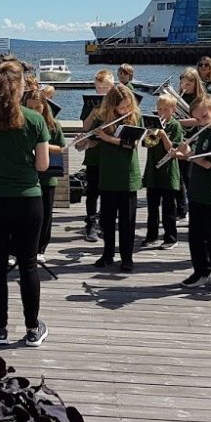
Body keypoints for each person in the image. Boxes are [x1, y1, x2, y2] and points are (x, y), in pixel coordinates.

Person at [0, 60, 50, 348]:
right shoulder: (35, 119)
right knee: (28, 264)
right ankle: (32, 328)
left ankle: (0, 328)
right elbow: (42, 165)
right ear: (20, 88)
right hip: (28, 199)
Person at [176, 94, 211, 294]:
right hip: (197, 191)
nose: (201, 122)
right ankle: (201, 272)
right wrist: (183, 154)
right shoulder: (205, 131)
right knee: (196, 236)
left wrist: (189, 155)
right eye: (197, 119)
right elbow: (197, 158)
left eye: (204, 117)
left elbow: (208, 163)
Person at [92, 85, 142, 272]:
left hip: (127, 175)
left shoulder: (135, 118)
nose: (126, 110)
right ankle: (107, 254)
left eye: (128, 106)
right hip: (108, 174)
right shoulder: (102, 119)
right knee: (107, 219)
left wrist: (107, 138)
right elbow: (93, 140)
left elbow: (131, 144)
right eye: (122, 107)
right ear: (112, 106)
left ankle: (127, 258)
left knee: (127, 221)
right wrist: (86, 141)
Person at [77, 68, 115, 243]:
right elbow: (85, 127)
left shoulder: (116, 102)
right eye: (98, 88)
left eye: (105, 88)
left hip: (110, 153)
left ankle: (106, 223)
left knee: (109, 192)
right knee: (92, 191)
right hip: (94, 154)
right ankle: (90, 224)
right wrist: (94, 111)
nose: (101, 91)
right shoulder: (90, 104)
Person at [26, 89, 65, 259]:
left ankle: (40, 249)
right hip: (26, 176)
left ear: (44, 107)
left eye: (38, 107)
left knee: (45, 215)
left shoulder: (53, 124)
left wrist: (42, 145)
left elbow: (60, 148)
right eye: (30, 107)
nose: (34, 111)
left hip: (47, 177)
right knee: (25, 215)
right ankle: (23, 248)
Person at [142, 92, 183, 250]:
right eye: (159, 109)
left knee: (168, 208)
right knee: (152, 208)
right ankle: (151, 236)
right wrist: (152, 133)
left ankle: (171, 238)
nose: (162, 112)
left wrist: (163, 134)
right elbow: (147, 145)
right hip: (153, 172)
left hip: (168, 172)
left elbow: (171, 150)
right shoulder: (154, 124)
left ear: (173, 110)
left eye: (166, 109)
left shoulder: (175, 125)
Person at [174, 67, 204, 221]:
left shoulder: (200, 99)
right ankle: (181, 210)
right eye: (182, 84)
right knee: (178, 177)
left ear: (195, 84)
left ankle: (195, 210)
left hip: (194, 139)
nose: (184, 87)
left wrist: (178, 122)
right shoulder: (177, 97)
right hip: (180, 139)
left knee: (189, 177)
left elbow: (200, 121)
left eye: (188, 84)